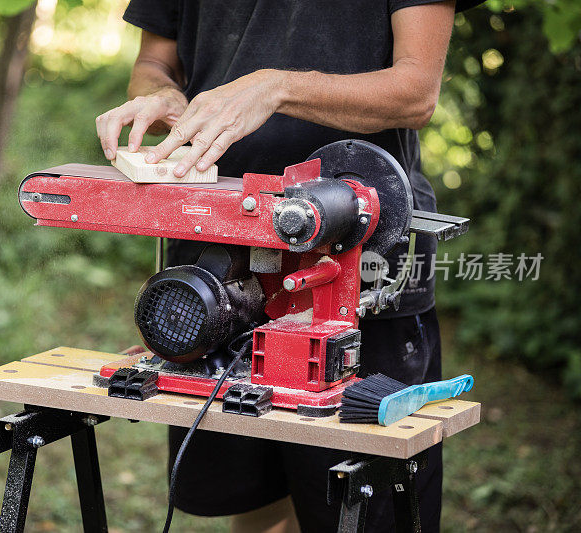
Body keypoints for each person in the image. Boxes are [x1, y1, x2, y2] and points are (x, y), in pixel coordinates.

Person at [96, 1, 484, 531]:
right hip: (217, 253)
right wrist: (160, 92)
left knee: (364, 507)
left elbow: (416, 91)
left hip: (358, 255)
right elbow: (155, 63)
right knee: (251, 500)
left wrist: (275, 86)